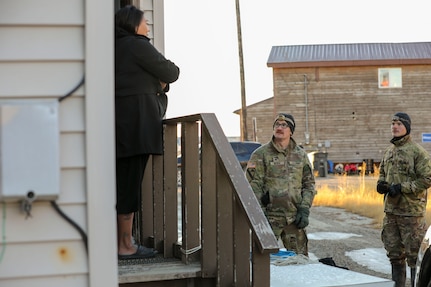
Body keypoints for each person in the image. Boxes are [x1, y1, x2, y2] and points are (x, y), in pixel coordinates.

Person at [115, 5, 180, 260]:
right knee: (128, 188)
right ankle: (125, 246)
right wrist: (159, 83)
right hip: (136, 128)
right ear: (133, 24)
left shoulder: (115, 48)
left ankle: (121, 242)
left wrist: (156, 83)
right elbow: (171, 72)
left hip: (118, 125)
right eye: (145, 23)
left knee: (120, 185)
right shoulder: (137, 44)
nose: (148, 28)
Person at [246, 113, 317, 255]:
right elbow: (253, 185)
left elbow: (309, 184)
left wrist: (304, 209)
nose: (279, 127)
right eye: (277, 125)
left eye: (284, 125)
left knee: (300, 262)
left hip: (294, 218)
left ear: (291, 131)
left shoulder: (301, 155)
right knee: (261, 262)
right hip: (269, 218)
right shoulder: (261, 154)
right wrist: (260, 213)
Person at [376, 112, 431, 287]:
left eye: (399, 123)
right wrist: (381, 185)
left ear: (407, 127)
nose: (395, 126)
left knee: (414, 257)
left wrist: (402, 188)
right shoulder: (388, 151)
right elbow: (383, 173)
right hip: (391, 213)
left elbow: (427, 178)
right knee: (394, 255)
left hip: (411, 215)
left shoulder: (417, 152)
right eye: (393, 123)